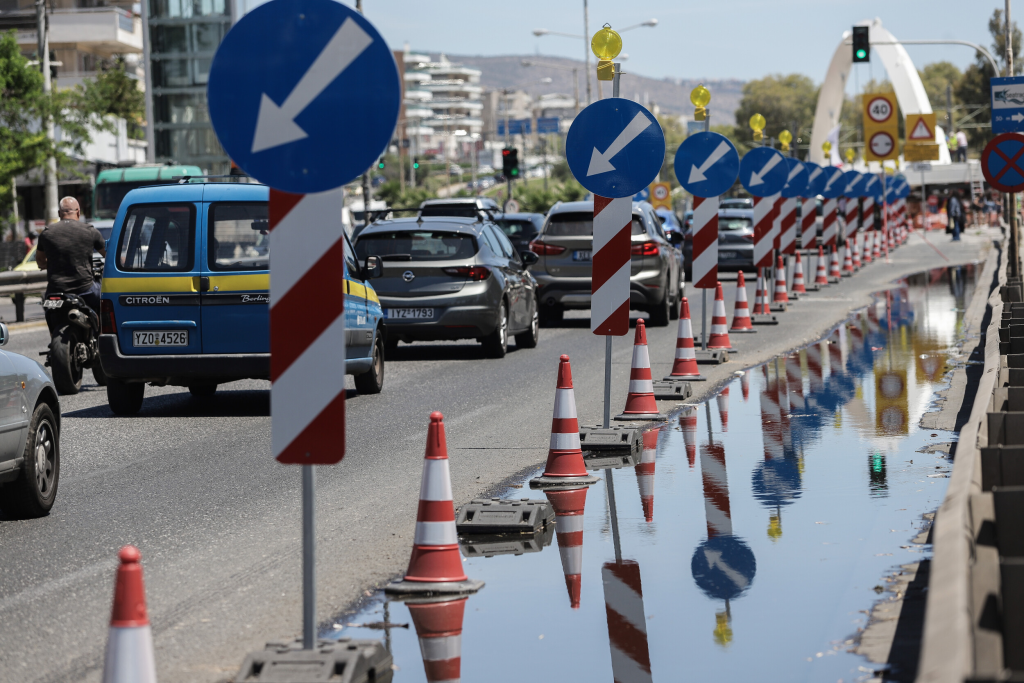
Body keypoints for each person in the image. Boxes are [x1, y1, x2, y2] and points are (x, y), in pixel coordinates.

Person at [36, 197, 106, 334]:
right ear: (78, 213)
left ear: (59, 213)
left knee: (49, 309)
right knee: (105, 302)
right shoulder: (90, 231)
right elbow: (107, 256)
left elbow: (40, 261)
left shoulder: (46, 233)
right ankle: (101, 338)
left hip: (55, 291)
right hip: (85, 290)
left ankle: (53, 334)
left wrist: (48, 264)